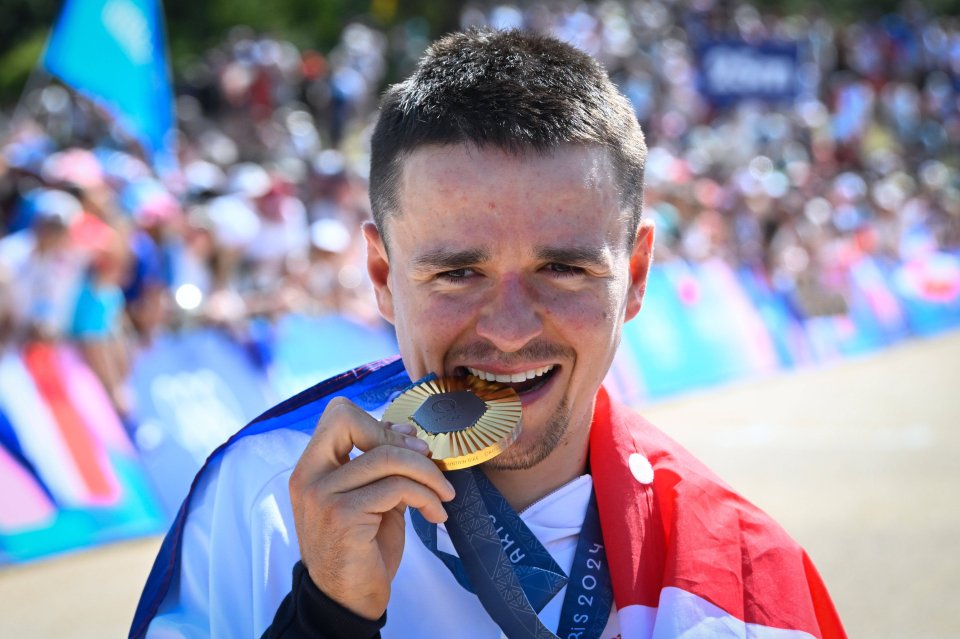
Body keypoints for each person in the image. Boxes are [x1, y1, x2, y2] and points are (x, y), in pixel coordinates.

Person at [131, 30, 846, 639]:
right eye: (457, 273)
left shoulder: (746, 581)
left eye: (562, 268)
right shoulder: (259, 499)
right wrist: (325, 616)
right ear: (382, 273)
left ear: (634, 273)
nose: (508, 330)